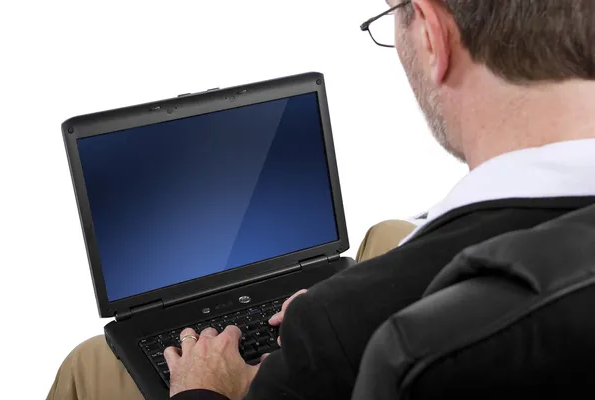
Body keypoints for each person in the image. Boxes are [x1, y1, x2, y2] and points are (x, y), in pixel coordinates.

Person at [48, 0, 595, 399]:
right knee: (384, 233)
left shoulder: (337, 327)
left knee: (90, 364)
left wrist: (207, 390)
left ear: (432, 35)